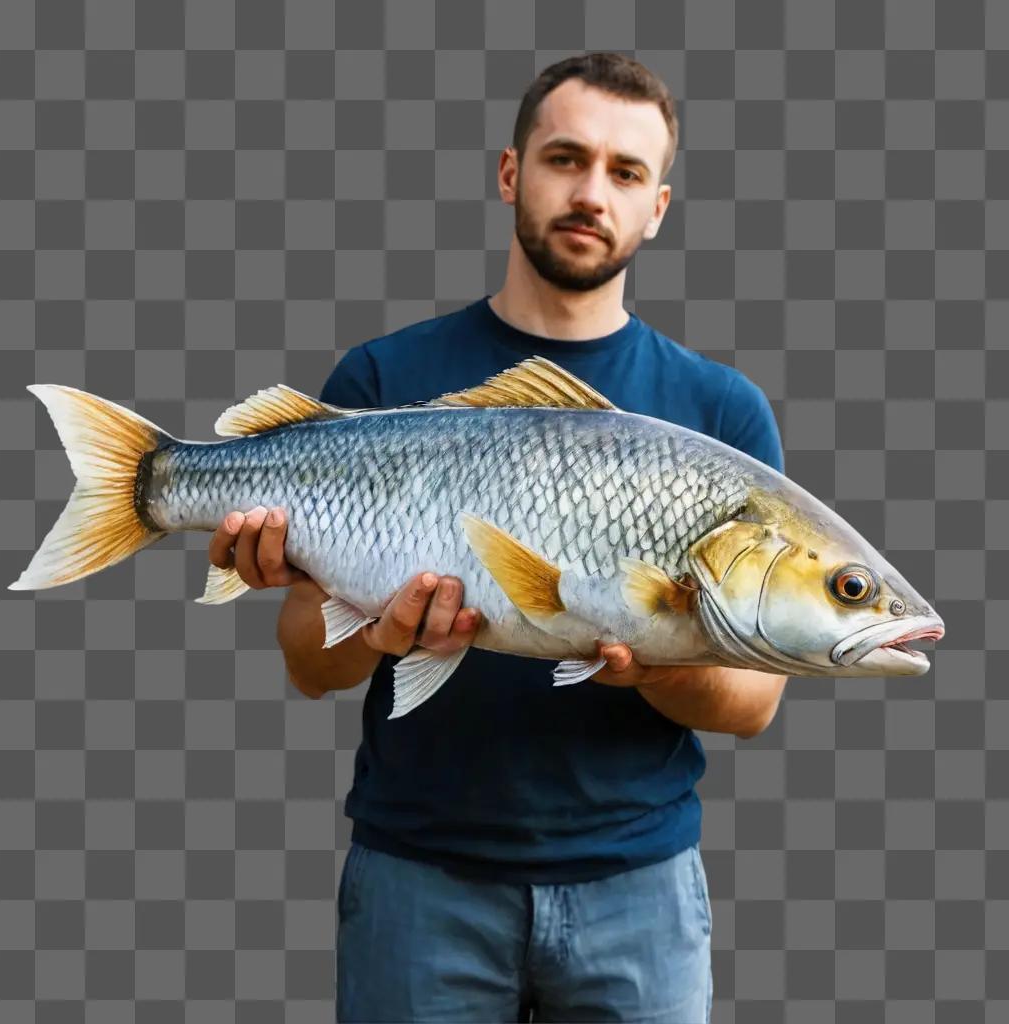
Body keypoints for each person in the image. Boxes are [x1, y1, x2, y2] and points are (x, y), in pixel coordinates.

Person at [209, 52, 787, 1024]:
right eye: (566, 158)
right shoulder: (387, 376)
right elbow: (311, 666)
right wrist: (377, 632)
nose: (591, 192)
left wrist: (646, 661)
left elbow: (750, 704)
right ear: (510, 172)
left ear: (658, 208)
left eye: (625, 172)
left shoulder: (717, 414)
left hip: (637, 892)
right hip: (417, 881)